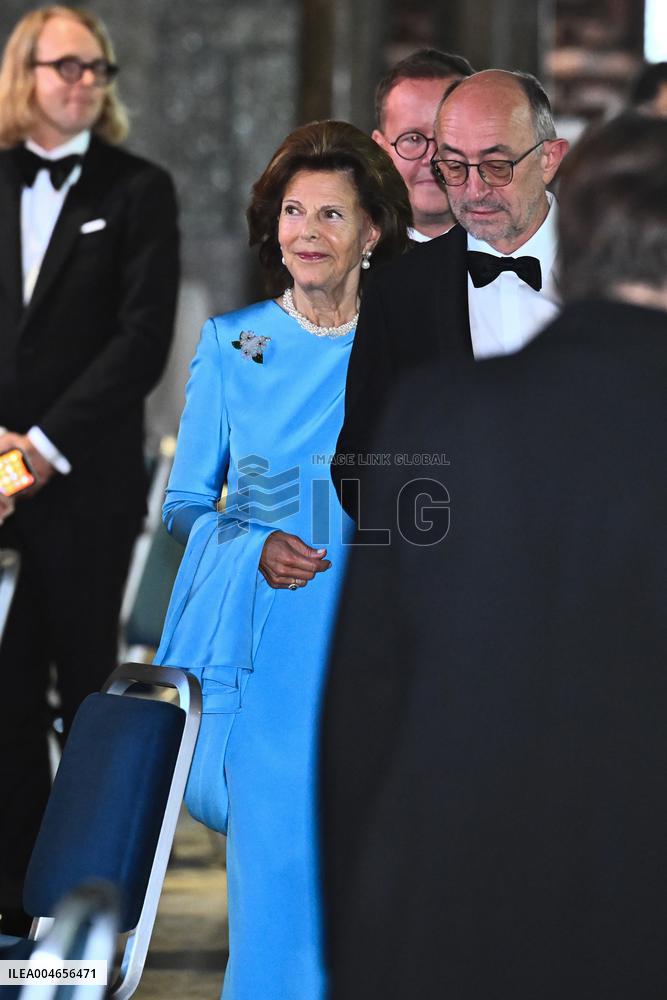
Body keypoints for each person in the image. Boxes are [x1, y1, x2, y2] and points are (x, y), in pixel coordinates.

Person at [322, 111, 667, 1000]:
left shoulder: (438, 418)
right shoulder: (417, 355)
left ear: (572, 231)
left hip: (463, 900)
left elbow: (365, 701)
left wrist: (357, 939)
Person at [153, 120, 411, 999]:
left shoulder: (408, 340)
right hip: (271, 646)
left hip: (385, 636)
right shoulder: (232, 343)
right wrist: (253, 544)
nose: (306, 231)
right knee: (276, 880)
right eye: (293, 211)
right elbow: (185, 503)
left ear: (371, 230)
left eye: (331, 214)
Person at [0, 6, 179, 934]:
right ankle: (12, 906)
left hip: (85, 482)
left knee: (85, 694)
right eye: (64, 65)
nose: (81, 82)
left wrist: (41, 445)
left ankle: (86, 910)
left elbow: (142, 339)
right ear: (23, 70)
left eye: (95, 68)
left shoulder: (139, 188)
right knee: (2, 695)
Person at [333, 69, 569, 518]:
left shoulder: (625, 276)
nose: (474, 190)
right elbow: (359, 465)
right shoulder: (398, 290)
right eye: (454, 168)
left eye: (497, 166)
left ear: (549, 159)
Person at [371, 48, 474, 241]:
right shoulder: (348, 253)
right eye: (413, 139)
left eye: (447, 137)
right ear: (381, 150)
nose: (432, 158)